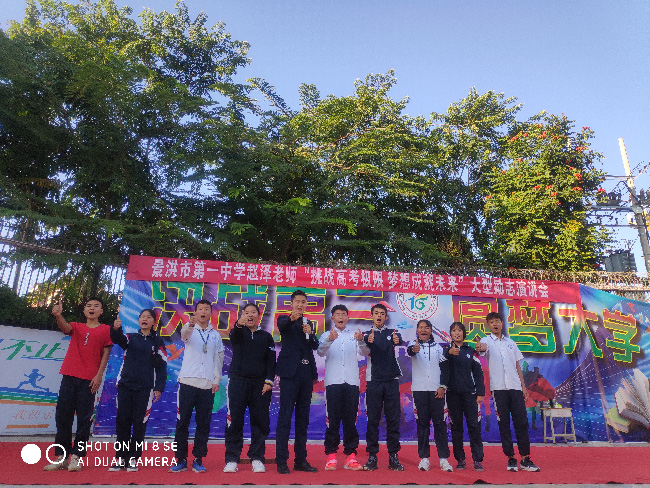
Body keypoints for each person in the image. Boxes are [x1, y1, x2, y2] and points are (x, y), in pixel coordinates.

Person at [44, 298, 113, 472]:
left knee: (84, 420)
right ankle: (62, 457)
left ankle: (76, 457)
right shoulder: (76, 326)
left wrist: (99, 376)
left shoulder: (106, 330)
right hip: (69, 376)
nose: (92, 308)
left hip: (89, 380)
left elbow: (106, 353)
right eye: (89, 306)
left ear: (101, 311)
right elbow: (65, 328)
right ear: (84, 310)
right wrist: (58, 316)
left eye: (96, 306)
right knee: (63, 417)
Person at [477, 312, 540, 472]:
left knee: (522, 422)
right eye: (491, 322)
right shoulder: (486, 341)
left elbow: (517, 365)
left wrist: (523, 387)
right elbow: (482, 349)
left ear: (502, 323)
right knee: (503, 423)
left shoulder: (511, 343)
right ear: (488, 325)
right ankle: (511, 458)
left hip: (515, 388)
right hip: (499, 389)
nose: (495, 324)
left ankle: (525, 458)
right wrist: (480, 347)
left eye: (497, 321)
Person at [169, 299, 225, 474]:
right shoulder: (190, 330)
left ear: (211, 313)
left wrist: (216, 380)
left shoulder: (215, 335)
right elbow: (184, 336)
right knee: (182, 423)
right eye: (200, 309)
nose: (203, 312)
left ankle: (198, 459)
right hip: (187, 382)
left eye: (207, 309)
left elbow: (219, 359)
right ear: (195, 312)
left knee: (203, 424)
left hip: (207, 385)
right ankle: (180, 459)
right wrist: (190, 325)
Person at [109, 309, 168, 472]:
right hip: (125, 386)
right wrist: (116, 329)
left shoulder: (157, 342)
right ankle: (121, 458)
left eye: (148, 317)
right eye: (142, 317)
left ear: (153, 322)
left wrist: (159, 388)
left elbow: (162, 367)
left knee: (139, 423)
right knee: (122, 422)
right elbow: (117, 339)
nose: (145, 319)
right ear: (138, 320)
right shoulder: (130, 337)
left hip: (145, 389)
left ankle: (133, 458)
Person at [223, 303, 276, 474]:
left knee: (260, 421)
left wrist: (269, 381)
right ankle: (232, 459)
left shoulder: (266, 336)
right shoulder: (238, 332)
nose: (250, 315)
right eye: (247, 313)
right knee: (234, 421)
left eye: (253, 312)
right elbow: (234, 336)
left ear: (259, 316)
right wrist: (239, 324)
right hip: (238, 381)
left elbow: (271, 361)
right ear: (243, 315)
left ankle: (257, 458)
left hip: (260, 385)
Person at [317, 304, 369, 471]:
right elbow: (320, 352)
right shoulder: (326, 334)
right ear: (332, 318)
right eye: (337, 314)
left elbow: (365, 352)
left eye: (343, 314)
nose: (340, 317)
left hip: (352, 383)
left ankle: (350, 456)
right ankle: (331, 456)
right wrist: (329, 340)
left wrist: (361, 340)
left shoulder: (354, 335)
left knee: (350, 421)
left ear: (347, 317)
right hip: (333, 382)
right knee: (332, 421)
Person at [275, 290, 319, 474]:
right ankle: (281, 460)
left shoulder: (308, 322)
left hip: (306, 374)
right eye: (297, 302)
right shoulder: (284, 319)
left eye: (303, 302)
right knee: (285, 416)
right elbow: (282, 327)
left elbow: (314, 345)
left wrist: (311, 333)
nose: (300, 305)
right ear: (292, 303)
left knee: (303, 419)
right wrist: (292, 319)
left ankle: (301, 460)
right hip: (290, 375)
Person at [362, 303, 404, 471]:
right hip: (374, 381)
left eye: (382, 313)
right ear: (371, 316)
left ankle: (393, 456)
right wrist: (365, 341)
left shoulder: (392, 333)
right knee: (373, 419)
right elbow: (363, 350)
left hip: (391, 380)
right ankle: (372, 456)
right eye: (376, 313)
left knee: (393, 419)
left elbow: (399, 339)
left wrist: (397, 340)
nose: (379, 316)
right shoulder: (366, 335)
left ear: (386, 317)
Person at [406, 319, 452, 472]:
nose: (423, 330)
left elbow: (445, 368)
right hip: (419, 390)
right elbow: (410, 351)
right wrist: (414, 349)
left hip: (436, 391)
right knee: (423, 425)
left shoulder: (438, 348)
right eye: (420, 328)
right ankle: (424, 458)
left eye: (426, 328)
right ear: (417, 331)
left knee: (440, 424)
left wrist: (443, 386)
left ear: (431, 331)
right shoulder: (412, 345)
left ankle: (444, 459)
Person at [446, 321, 485, 471]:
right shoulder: (446, 351)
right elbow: (441, 369)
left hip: (470, 394)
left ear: (464, 333)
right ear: (451, 334)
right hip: (452, 395)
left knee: (474, 426)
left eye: (460, 330)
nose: (457, 333)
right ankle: (460, 459)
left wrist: (480, 392)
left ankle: (477, 460)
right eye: (454, 330)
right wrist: (449, 353)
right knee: (456, 428)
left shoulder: (471, 351)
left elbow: (478, 373)